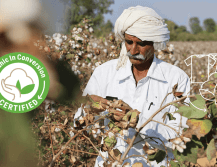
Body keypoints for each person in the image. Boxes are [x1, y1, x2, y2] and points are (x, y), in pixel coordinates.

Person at [74, 5, 190, 167]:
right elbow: (78, 123)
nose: (133, 49)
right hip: (111, 163)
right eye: (129, 42)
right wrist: (91, 108)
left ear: (154, 43)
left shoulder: (175, 78)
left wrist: (138, 121)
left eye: (141, 44)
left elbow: (178, 135)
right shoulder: (105, 72)